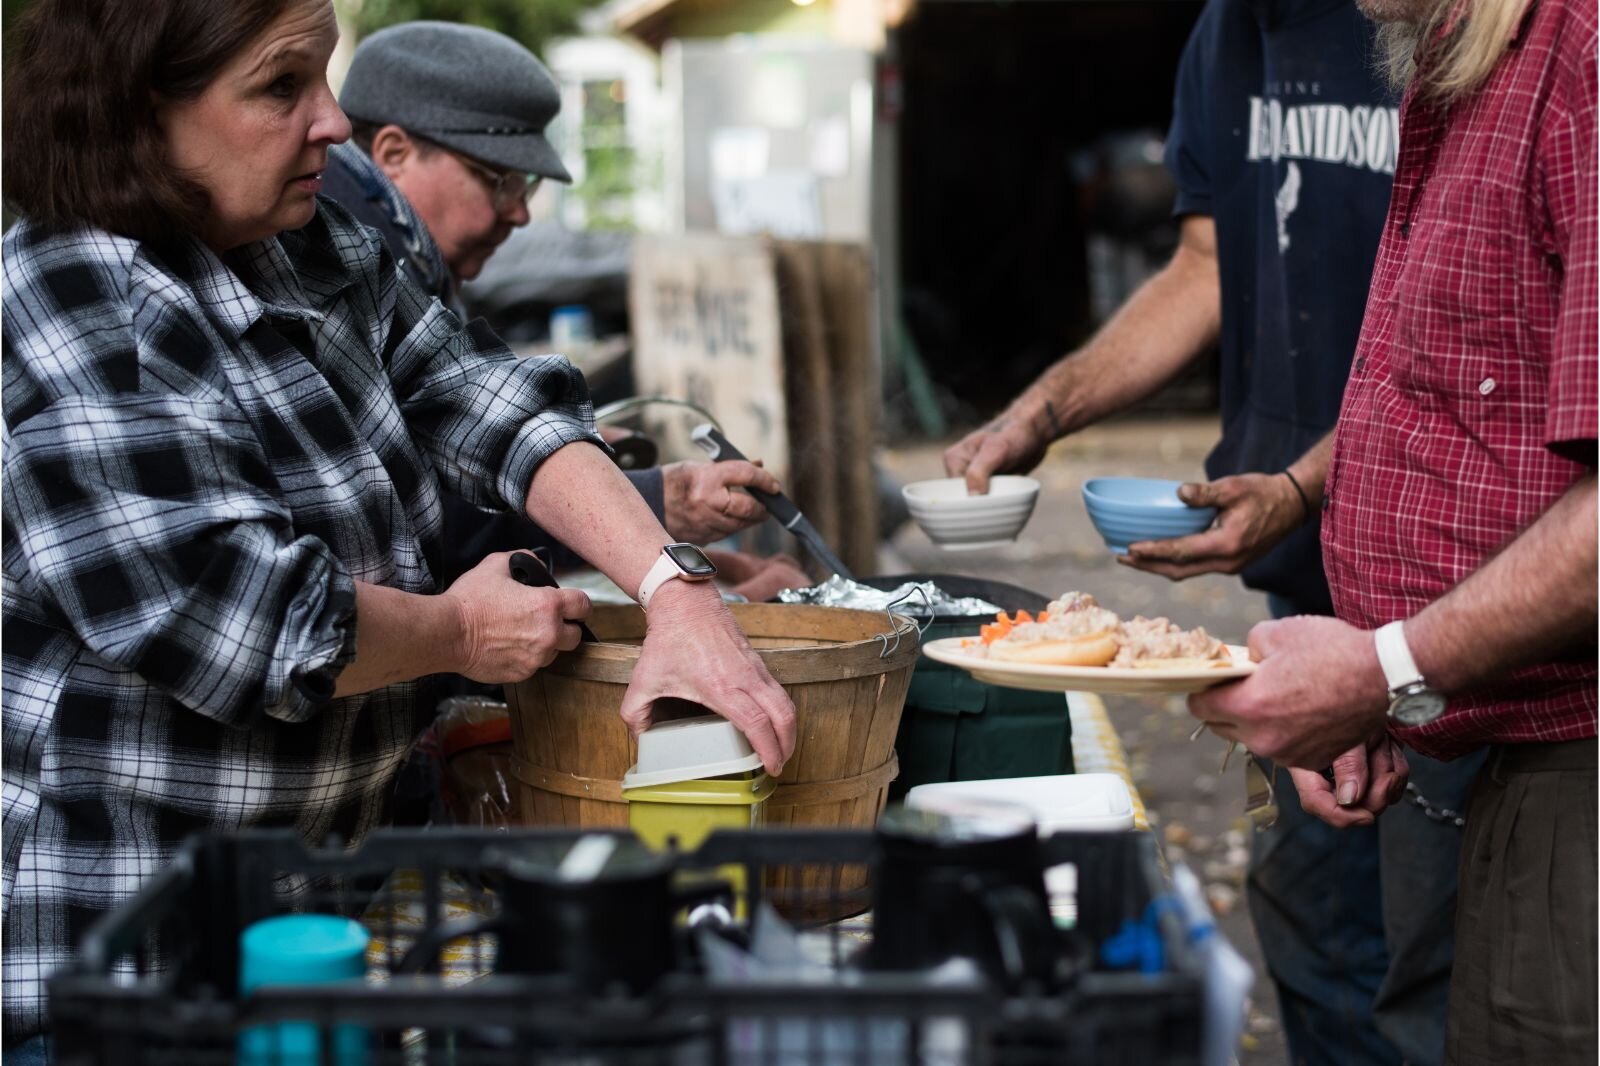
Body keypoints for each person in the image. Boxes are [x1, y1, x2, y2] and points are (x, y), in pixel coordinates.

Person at [0, 0, 796, 1057]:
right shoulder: (72, 294)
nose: (330, 121)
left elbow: (489, 398)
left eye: (324, 78)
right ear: (140, 111)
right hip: (138, 943)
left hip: (323, 901)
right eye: (282, 87)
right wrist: (461, 635)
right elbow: (242, 619)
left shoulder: (307, 241)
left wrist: (673, 587)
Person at [943, 1, 1482, 1062]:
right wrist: (1042, 411)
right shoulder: (1226, 34)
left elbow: (1458, 330)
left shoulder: (1432, 21)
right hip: (1305, 582)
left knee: (1439, 955)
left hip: (1456, 579)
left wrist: (1301, 482)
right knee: (1317, 923)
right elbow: (1203, 265)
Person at [1190, 0, 1597, 1058]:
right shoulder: (1459, 58)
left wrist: (1384, 665)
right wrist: (1398, 679)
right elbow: (1462, 399)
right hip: (1476, 727)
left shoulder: (1584, 55)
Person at [322, 21, 810, 602]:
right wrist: (658, 500)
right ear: (394, 153)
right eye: (499, 182)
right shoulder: (343, 270)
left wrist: (585, 459)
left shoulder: (409, 261)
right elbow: (421, 515)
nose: (520, 214)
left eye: (524, 187)